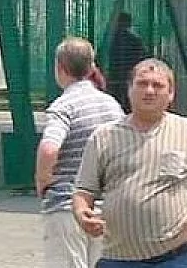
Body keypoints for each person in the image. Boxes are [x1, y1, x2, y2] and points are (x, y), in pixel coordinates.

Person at [73, 58, 187, 268]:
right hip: (116, 257)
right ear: (129, 89)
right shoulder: (104, 136)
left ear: (171, 94)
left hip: (172, 257)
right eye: (142, 84)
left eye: (158, 85)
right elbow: (84, 190)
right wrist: (82, 214)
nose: (149, 91)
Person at [36, 37, 125, 268]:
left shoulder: (64, 106)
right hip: (105, 206)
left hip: (67, 204)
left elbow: (49, 148)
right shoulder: (112, 105)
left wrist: (43, 181)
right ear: (91, 66)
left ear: (60, 67)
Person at [105, 12, 147, 112]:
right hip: (129, 73)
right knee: (128, 100)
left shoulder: (111, 39)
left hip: (115, 74)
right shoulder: (135, 39)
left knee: (116, 98)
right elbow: (143, 56)